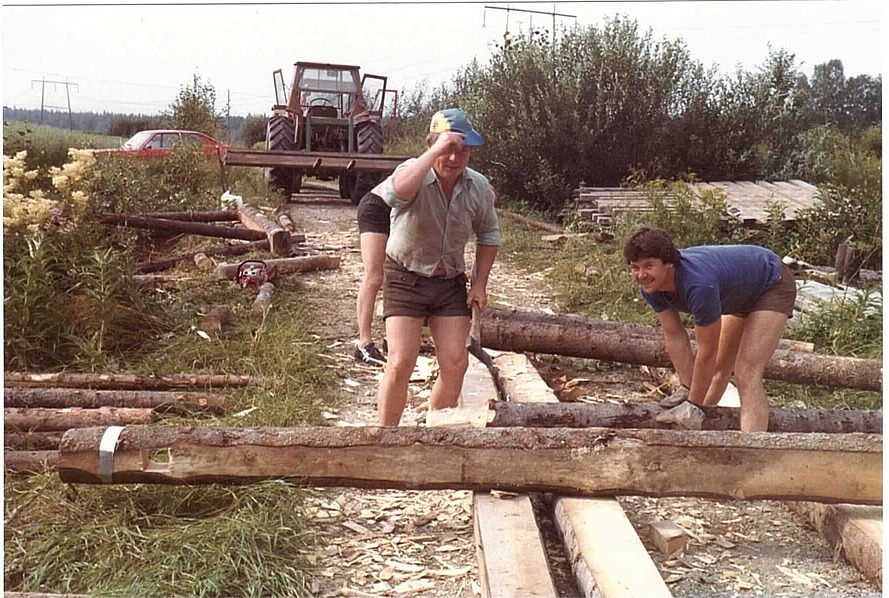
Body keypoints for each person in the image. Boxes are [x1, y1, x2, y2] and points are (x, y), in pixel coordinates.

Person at [375, 108, 500, 426]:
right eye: (449, 150)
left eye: (463, 151)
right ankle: (385, 438)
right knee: (401, 362)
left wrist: (479, 284)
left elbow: (489, 234)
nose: (456, 159)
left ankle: (434, 432)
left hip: (449, 282)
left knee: (456, 363)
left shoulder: (478, 187)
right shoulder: (413, 172)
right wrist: (434, 152)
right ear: (433, 145)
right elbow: (393, 193)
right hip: (406, 278)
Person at [623, 227, 797, 432]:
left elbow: (708, 350)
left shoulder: (699, 286)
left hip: (771, 282)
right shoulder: (651, 286)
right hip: (739, 292)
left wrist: (693, 404)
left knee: (746, 372)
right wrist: (687, 387)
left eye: (649, 266)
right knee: (718, 371)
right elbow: (675, 336)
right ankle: (703, 430)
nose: (642, 275)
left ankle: (752, 449)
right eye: (635, 267)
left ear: (668, 264)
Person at [353, 187, 390, 365]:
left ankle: (395, 338)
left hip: (401, 211)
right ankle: (364, 344)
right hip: (377, 207)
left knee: (402, 274)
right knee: (375, 276)